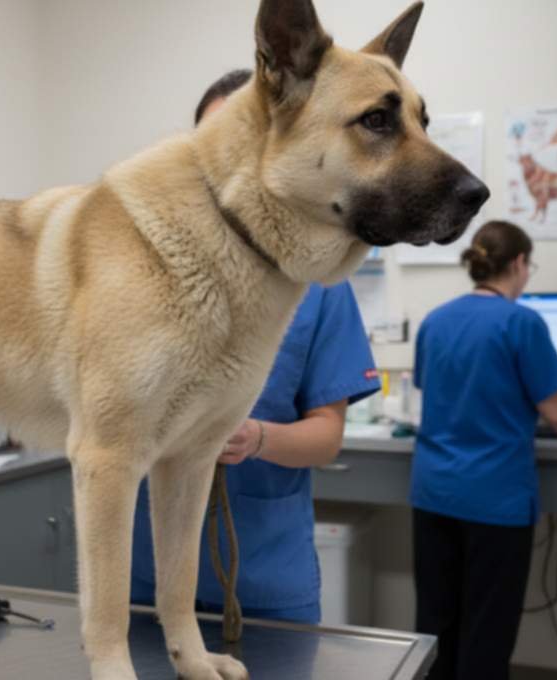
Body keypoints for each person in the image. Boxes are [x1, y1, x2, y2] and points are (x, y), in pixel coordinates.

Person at [128, 69, 381, 625]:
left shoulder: (319, 286)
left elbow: (326, 437)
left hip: (263, 580)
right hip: (144, 575)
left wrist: (254, 436)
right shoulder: (140, 271)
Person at [410, 220, 557, 680]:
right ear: (517, 263)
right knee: (486, 628)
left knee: (436, 622)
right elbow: (556, 410)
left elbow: (431, 390)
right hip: (494, 499)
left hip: (433, 493)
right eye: (528, 265)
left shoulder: (436, 320)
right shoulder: (521, 322)